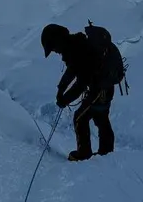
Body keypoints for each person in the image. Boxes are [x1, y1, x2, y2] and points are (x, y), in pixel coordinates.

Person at [40, 23, 114, 161]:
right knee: (100, 117)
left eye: (53, 47)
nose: (55, 51)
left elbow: (82, 82)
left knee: (80, 118)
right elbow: (73, 70)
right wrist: (61, 89)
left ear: (58, 40)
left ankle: (85, 153)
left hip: (100, 88)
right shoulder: (75, 46)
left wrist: (65, 98)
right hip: (104, 87)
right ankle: (106, 153)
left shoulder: (76, 49)